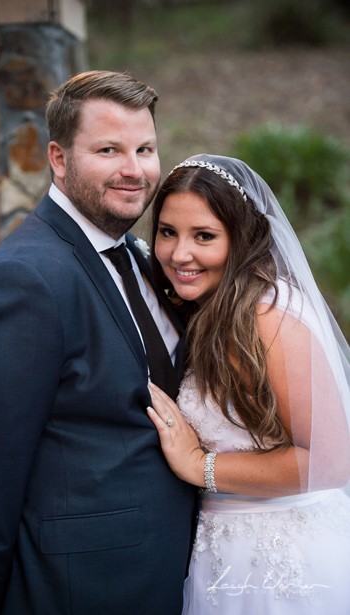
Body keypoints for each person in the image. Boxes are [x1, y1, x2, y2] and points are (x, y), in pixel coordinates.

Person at [0, 70, 198, 614]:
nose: (134, 170)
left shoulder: (138, 255)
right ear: (59, 159)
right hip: (82, 588)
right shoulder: (23, 279)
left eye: (145, 148)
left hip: (168, 574)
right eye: (109, 149)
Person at [146, 153, 350, 613]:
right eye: (167, 232)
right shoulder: (209, 309)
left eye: (204, 236)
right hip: (221, 552)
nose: (180, 254)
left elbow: (330, 461)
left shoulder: (268, 314)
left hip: (282, 559)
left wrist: (200, 466)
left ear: (241, 239)